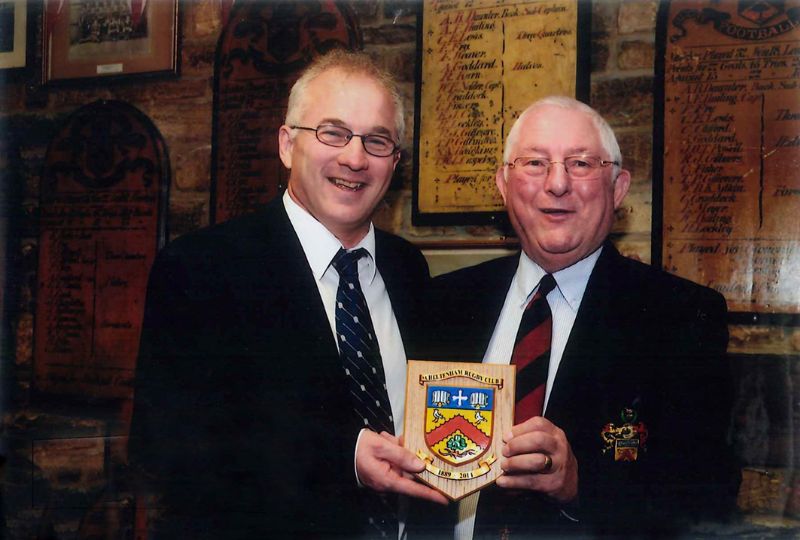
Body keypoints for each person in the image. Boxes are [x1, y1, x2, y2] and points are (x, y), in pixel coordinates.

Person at [129, 49, 446, 539]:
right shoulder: (201, 269)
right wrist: (344, 457)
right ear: (286, 144)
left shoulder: (409, 271)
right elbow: (166, 447)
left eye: (377, 141)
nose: (355, 158)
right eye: (333, 133)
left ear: (395, 162)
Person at [416, 96, 740, 538]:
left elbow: (708, 499)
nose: (557, 184)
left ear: (618, 187)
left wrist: (578, 486)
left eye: (581, 164)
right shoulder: (444, 302)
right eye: (534, 163)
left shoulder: (680, 317)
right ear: (503, 184)